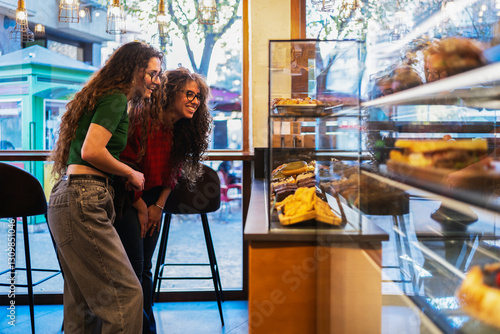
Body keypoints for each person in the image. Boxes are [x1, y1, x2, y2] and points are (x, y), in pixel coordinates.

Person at [47, 41, 164, 333]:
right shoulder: (114, 98)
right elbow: (91, 151)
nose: (157, 81)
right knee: (127, 295)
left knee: (82, 304)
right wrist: (131, 173)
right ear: (136, 70)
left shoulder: (103, 96)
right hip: (84, 197)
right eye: (153, 74)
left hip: (68, 197)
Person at [114, 67, 212, 334]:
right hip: (128, 197)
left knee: (145, 267)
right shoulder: (141, 118)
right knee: (133, 269)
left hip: (155, 199)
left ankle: (147, 326)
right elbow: (123, 165)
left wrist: (158, 206)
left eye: (199, 96)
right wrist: (142, 206)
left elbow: (174, 172)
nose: (195, 100)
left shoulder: (181, 129)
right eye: (189, 94)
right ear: (171, 92)